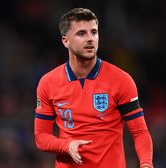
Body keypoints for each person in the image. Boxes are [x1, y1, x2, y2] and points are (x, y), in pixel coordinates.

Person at [34, 8, 153, 168]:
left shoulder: (121, 80)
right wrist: (66, 145)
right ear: (65, 41)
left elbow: (140, 132)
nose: (90, 39)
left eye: (94, 32)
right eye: (82, 33)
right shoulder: (48, 83)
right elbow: (41, 136)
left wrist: (146, 164)